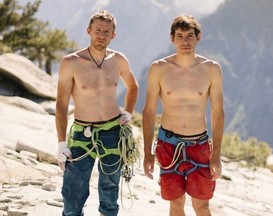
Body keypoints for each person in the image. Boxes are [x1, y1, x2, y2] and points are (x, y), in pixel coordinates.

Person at [55, 10, 139, 216]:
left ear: (113, 35)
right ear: (89, 31)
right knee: (73, 190)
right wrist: (61, 144)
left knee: (110, 187)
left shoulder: (118, 60)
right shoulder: (71, 62)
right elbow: (61, 104)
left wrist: (127, 112)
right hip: (82, 133)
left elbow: (133, 86)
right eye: (98, 31)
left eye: (106, 32)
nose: (101, 35)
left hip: (113, 131)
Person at [142, 14, 224, 216]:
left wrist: (216, 155)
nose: (185, 41)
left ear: (199, 37)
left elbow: (218, 112)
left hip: (200, 145)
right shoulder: (159, 68)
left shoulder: (211, 69)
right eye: (180, 36)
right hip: (168, 145)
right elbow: (149, 111)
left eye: (189, 36)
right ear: (172, 39)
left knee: (202, 205)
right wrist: (147, 152)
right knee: (176, 203)